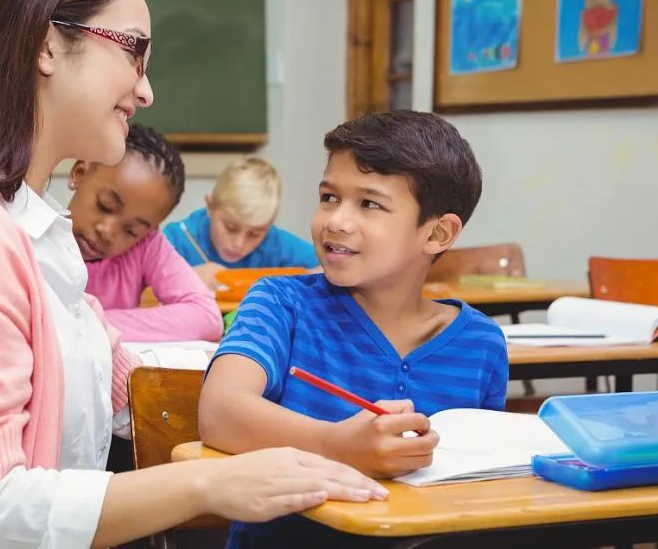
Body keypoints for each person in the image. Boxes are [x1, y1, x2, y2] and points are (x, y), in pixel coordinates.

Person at [0, 0, 386, 546]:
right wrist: (209, 484)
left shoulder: (34, 228)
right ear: (48, 45)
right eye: (134, 51)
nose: (146, 89)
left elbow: (135, 395)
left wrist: (326, 433)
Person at [199, 110, 509, 548]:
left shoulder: (481, 344)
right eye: (329, 197)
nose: (336, 221)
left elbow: (480, 479)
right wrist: (337, 445)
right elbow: (219, 411)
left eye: (369, 203)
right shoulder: (281, 303)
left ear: (438, 233)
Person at [68, 123, 222, 341]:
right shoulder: (30, 237)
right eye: (105, 205)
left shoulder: (145, 246)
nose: (107, 232)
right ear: (79, 173)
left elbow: (207, 317)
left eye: (132, 230)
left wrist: (89, 323)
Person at [163, 157, 320, 290]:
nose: (239, 244)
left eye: (255, 234)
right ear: (210, 206)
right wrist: (183, 278)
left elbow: (330, 268)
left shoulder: (274, 242)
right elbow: (142, 285)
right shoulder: (178, 238)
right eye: (230, 228)